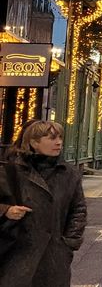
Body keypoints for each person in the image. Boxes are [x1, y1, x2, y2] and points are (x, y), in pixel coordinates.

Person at [0, 120, 87, 287]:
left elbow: (78, 209)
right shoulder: (10, 171)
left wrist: (68, 243)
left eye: (60, 137)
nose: (58, 142)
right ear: (33, 143)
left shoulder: (68, 173)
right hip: (16, 252)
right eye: (51, 138)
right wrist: (6, 210)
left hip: (54, 257)